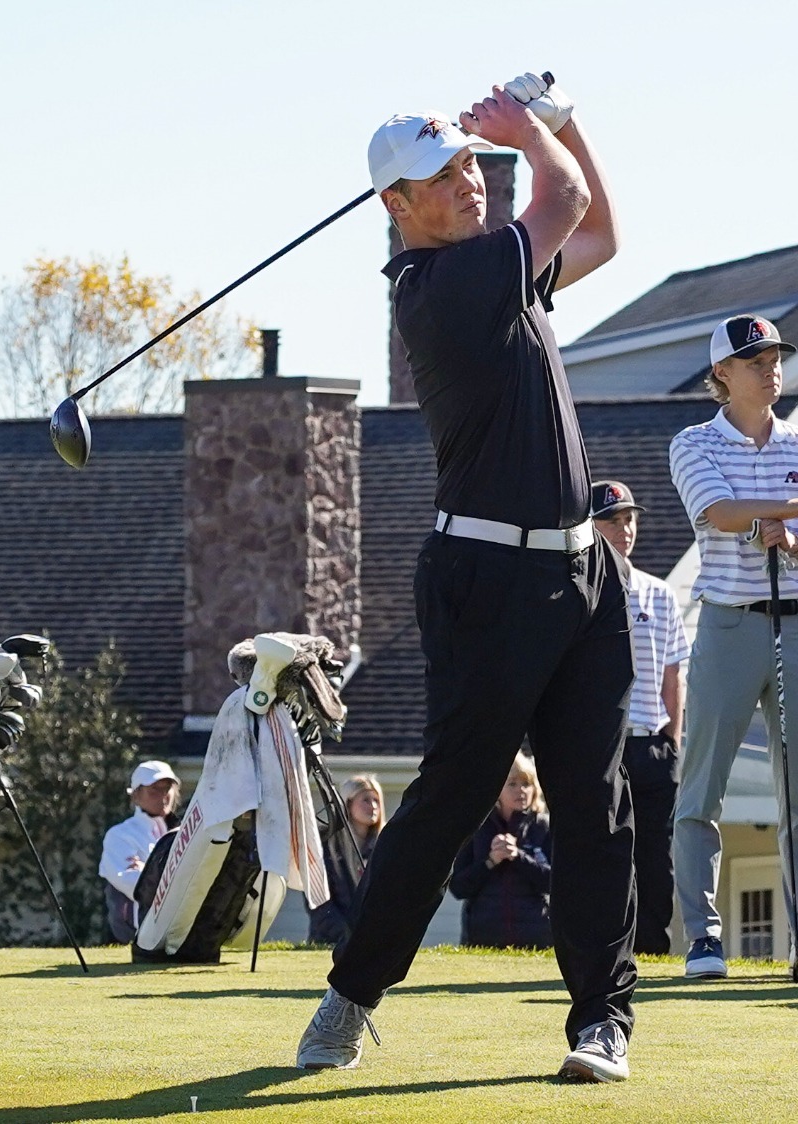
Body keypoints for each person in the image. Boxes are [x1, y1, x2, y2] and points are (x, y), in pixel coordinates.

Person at [299, 73, 639, 1083]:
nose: (465, 182)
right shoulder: (441, 286)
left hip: (581, 573)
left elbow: (602, 235)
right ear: (394, 208)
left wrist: (564, 121)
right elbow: (564, 203)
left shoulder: (501, 271)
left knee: (595, 801)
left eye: (465, 164)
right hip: (487, 579)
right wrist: (530, 131)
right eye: (439, 176)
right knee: (448, 798)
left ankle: (600, 1021)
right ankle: (350, 994)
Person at [666, 315, 798, 983]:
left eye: (775, 357)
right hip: (728, 626)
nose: (770, 368)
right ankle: (703, 939)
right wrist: (797, 508)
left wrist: (794, 533)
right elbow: (720, 514)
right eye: (754, 360)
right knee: (704, 790)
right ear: (722, 374)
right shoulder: (695, 443)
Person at [588, 480, 689, 957]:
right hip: (602, 743)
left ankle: (651, 948)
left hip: (650, 743)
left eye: (629, 519)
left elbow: (674, 673)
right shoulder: (577, 591)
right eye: (613, 520)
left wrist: (673, 737)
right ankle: (605, 950)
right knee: (604, 853)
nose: (624, 529)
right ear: (590, 527)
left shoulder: (659, 593)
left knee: (653, 854)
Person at [449, 753, 555, 949]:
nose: (521, 790)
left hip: (537, 941)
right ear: (496, 790)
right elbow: (458, 887)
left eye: (527, 784)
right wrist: (490, 861)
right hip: (482, 941)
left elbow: (555, 883)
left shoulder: (544, 827)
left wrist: (518, 857)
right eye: (512, 784)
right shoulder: (475, 828)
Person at [100, 760, 181, 944]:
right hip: (133, 937)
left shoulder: (181, 834)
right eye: (154, 789)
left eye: (166, 788)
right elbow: (132, 884)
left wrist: (147, 870)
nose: (163, 795)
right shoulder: (119, 835)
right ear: (135, 796)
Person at [309, 775, 384, 946]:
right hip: (329, 942)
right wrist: (347, 933)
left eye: (376, 800)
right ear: (347, 804)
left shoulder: (383, 847)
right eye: (365, 800)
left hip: (371, 944)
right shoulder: (326, 845)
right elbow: (319, 901)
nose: (372, 806)